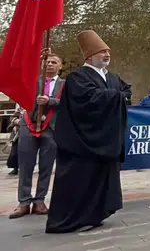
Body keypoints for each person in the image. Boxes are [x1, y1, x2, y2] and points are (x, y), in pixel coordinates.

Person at [46, 30, 131, 234]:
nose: (107, 54)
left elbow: (126, 91)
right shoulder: (78, 77)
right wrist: (116, 96)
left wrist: (116, 95)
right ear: (90, 56)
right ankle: (71, 220)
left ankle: (95, 214)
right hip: (83, 141)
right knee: (80, 180)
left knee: (101, 179)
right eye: (102, 51)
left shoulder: (112, 77)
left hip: (105, 139)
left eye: (108, 51)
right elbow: (90, 100)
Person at [9, 52, 64, 219]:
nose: (50, 65)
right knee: (25, 166)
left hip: (51, 128)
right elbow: (21, 92)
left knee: (46, 167)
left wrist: (50, 101)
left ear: (60, 66)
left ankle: (40, 200)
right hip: (29, 125)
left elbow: (69, 102)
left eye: (54, 62)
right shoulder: (33, 81)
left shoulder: (65, 84)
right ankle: (24, 202)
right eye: (47, 62)